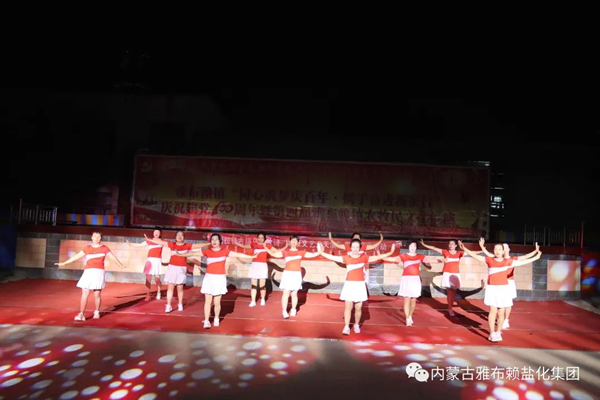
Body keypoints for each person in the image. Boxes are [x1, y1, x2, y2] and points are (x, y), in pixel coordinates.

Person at [459, 239, 541, 342]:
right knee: (493, 311)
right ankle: (492, 333)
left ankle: (498, 332)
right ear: (493, 251)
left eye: (499, 249)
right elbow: (476, 256)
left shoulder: (508, 261)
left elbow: (523, 261)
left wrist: (536, 257)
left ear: (503, 251)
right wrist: (464, 248)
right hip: (492, 289)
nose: (497, 251)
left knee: (501, 312)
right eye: (495, 249)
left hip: (503, 289)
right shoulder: (489, 260)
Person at [317, 239, 395, 335]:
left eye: (357, 247)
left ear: (360, 248)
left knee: (358, 307)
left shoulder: (364, 257)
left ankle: (356, 324)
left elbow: (378, 257)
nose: (355, 249)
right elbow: (333, 257)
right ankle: (346, 327)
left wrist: (391, 252)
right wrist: (321, 252)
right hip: (349, 285)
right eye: (353, 247)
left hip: (359, 285)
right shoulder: (346, 258)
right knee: (348, 307)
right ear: (350, 248)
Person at [178, 233, 256, 328]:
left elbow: (238, 254)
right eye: (212, 239)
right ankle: (206, 320)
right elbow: (193, 253)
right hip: (209, 278)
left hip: (219, 278)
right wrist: (181, 254)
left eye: (216, 239)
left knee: (217, 302)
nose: (214, 241)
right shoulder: (207, 251)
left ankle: (216, 318)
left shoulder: (225, 251)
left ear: (220, 241)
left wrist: (251, 257)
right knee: (207, 301)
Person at [55, 231, 126, 321]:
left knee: (97, 294)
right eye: (95, 236)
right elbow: (76, 257)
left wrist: (121, 265)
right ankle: (81, 314)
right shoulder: (87, 248)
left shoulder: (104, 248)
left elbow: (113, 257)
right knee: (85, 293)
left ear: (101, 238)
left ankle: (97, 312)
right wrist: (64, 263)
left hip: (99, 272)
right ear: (91, 237)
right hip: (88, 272)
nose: (96, 238)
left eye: (98, 236)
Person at [479, 239, 539, 329]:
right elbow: (487, 254)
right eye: (502, 247)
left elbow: (525, 257)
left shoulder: (513, 259)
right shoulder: (496, 257)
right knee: (498, 305)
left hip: (509, 282)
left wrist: (535, 251)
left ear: (507, 249)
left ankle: (506, 319)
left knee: (508, 303)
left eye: (505, 247)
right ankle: (499, 320)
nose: (503, 249)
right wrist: (482, 247)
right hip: (498, 283)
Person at [145, 231, 209, 313]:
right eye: (178, 235)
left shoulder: (187, 245)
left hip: (181, 269)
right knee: (170, 287)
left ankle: (180, 304)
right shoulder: (172, 244)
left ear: (184, 237)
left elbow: (198, 245)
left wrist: (209, 243)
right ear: (175, 237)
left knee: (180, 288)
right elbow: (160, 242)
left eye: (182, 235)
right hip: (172, 268)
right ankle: (168, 305)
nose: (180, 236)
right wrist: (149, 239)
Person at [382, 240, 440, 326]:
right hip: (406, 279)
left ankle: (410, 316)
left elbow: (432, 260)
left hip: (415, 279)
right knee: (407, 298)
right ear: (408, 247)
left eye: (414, 246)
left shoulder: (420, 256)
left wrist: (443, 260)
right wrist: (381, 256)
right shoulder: (403, 256)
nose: (413, 248)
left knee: (413, 299)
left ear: (416, 248)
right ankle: (407, 318)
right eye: (411, 246)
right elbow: (392, 259)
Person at [419, 239, 481, 316]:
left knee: (453, 293)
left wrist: (482, 251)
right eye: (449, 244)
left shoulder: (459, 253)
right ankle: (450, 308)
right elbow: (434, 248)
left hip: (455, 275)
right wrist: (424, 245)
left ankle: (450, 306)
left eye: (452, 244)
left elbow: (471, 253)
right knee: (449, 292)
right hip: (447, 274)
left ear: (455, 245)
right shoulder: (445, 252)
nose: (450, 245)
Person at [263, 235, 320, 319]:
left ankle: (293, 309)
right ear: (289, 242)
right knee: (286, 293)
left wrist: (319, 251)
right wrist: (265, 246)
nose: (294, 242)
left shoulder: (301, 252)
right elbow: (273, 254)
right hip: (287, 274)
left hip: (296, 275)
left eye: (295, 241)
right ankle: (284, 311)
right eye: (292, 240)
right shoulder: (285, 252)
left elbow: (312, 255)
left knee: (294, 293)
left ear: (298, 242)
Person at [233, 232, 288, 307]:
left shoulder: (267, 245)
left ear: (264, 239)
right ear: (257, 238)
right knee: (254, 285)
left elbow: (277, 251)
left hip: (263, 266)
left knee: (262, 285)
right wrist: (235, 242)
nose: (260, 239)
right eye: (259, 238)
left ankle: (262, 299)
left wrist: (285, 246)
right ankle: (253, 301)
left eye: (262, 238)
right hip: (254, 266)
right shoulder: (254, 244)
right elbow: (244, 246)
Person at [127, 229, 164, 301]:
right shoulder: (149, 241)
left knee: (157, 278)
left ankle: (159, 292)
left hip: (157, 261)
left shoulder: (162, 241)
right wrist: (130, 244)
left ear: (160, 234)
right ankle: (148, 294)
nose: (156, 233)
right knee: (148, 278)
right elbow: (140, 245)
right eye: (155, 232)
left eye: (158, 232)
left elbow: (170, 245)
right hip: (149, 261)